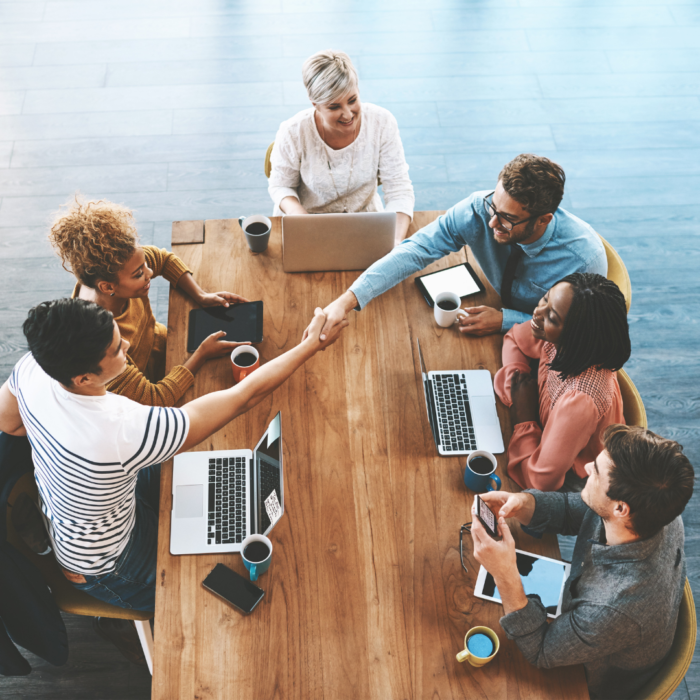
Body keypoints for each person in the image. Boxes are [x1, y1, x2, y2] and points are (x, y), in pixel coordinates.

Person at [0, 298, 347, 613]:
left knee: (212, 485)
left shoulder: (34, 367)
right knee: (199, 603)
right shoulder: (122, 429)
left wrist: (62, 442)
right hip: (109, 563)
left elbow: (10, 424)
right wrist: (311, 346)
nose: (127, 345)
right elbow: (243, 397)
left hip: (94, 514)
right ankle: (118, 625)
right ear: (84, 377)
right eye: (116, 349)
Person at [470, 424, 695, 700]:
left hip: (589, 681)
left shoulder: (613, 607)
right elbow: (580, 510)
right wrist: (524, 503)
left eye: (597, 471)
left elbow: (540, 650)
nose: (587, 467)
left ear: (621, 508)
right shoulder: (658, 511)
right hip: (600, 627)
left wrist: (505, 574)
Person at [313, 153, 607, 341]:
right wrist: (346, 301)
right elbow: (415, 250)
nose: (492, 223)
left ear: (543, 220)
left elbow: (579, 333)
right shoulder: (480, 208)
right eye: (494, 206)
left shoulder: (583, 260)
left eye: (507, 219)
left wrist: (506, 320)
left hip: (539, 343)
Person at [49, 198, 249, 407]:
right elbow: (155, 399)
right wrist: (202, 354)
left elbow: (163, 259)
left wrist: (200, 295)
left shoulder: (121, 263)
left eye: (144, 264)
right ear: (108, 287)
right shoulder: (101, 344)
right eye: (139, 274)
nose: (150, 273)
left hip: (163, 345)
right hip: (142, 390)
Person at [494, 273, 630, 492]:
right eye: (546, 299)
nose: (537, 313)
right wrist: (517, 386)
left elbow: (541, 482)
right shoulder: (559, 336)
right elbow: (514, 338)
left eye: (552, 317)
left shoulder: (581, 400)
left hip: (577, 479)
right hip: (547, 442)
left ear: (577, 337)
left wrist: (525, 416)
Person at [268, 50, 415, 244]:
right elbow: (280, 185)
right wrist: (300, 217)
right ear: (316, 105)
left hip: (367, 224)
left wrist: (394, 242)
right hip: (309, 225)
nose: (348, 115)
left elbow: (399, 190)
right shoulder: (292, 131)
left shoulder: (382, 122)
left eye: (352, 100)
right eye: (334, 107)